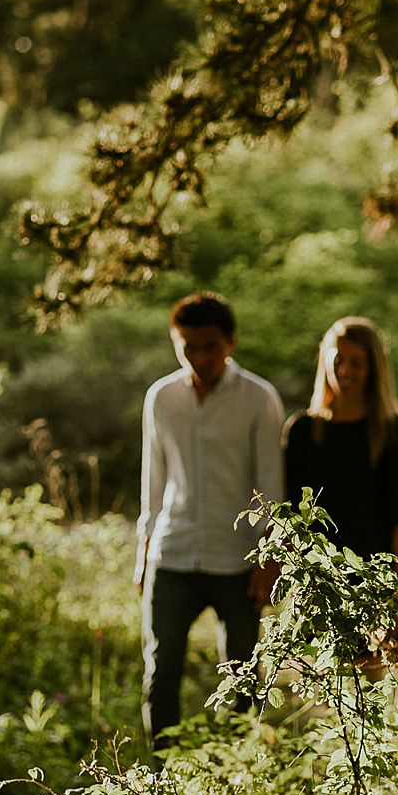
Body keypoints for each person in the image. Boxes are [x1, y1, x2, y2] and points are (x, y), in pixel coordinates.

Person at [136, 292, 284, 748]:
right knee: (162, 672)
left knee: (241, 673)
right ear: (175, 343)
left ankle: (236, 777)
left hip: (236, 560)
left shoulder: (259, 399)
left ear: (230, 342)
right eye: (189, 347)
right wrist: (143, 552)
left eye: (210, 347)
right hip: (173, 554)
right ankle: (162, 783)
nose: (200, 358)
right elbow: (153, 479)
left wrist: (269, 557)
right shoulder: (161, 397)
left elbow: (270, 482)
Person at [282, 317, 398, 583]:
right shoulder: (302, 430)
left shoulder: (393, 432)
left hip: (373, 580)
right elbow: (291, 514)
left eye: (356, 363)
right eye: (338, 360)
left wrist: (395, 592)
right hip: (317, 582)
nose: (344, 370)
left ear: (374, 368)